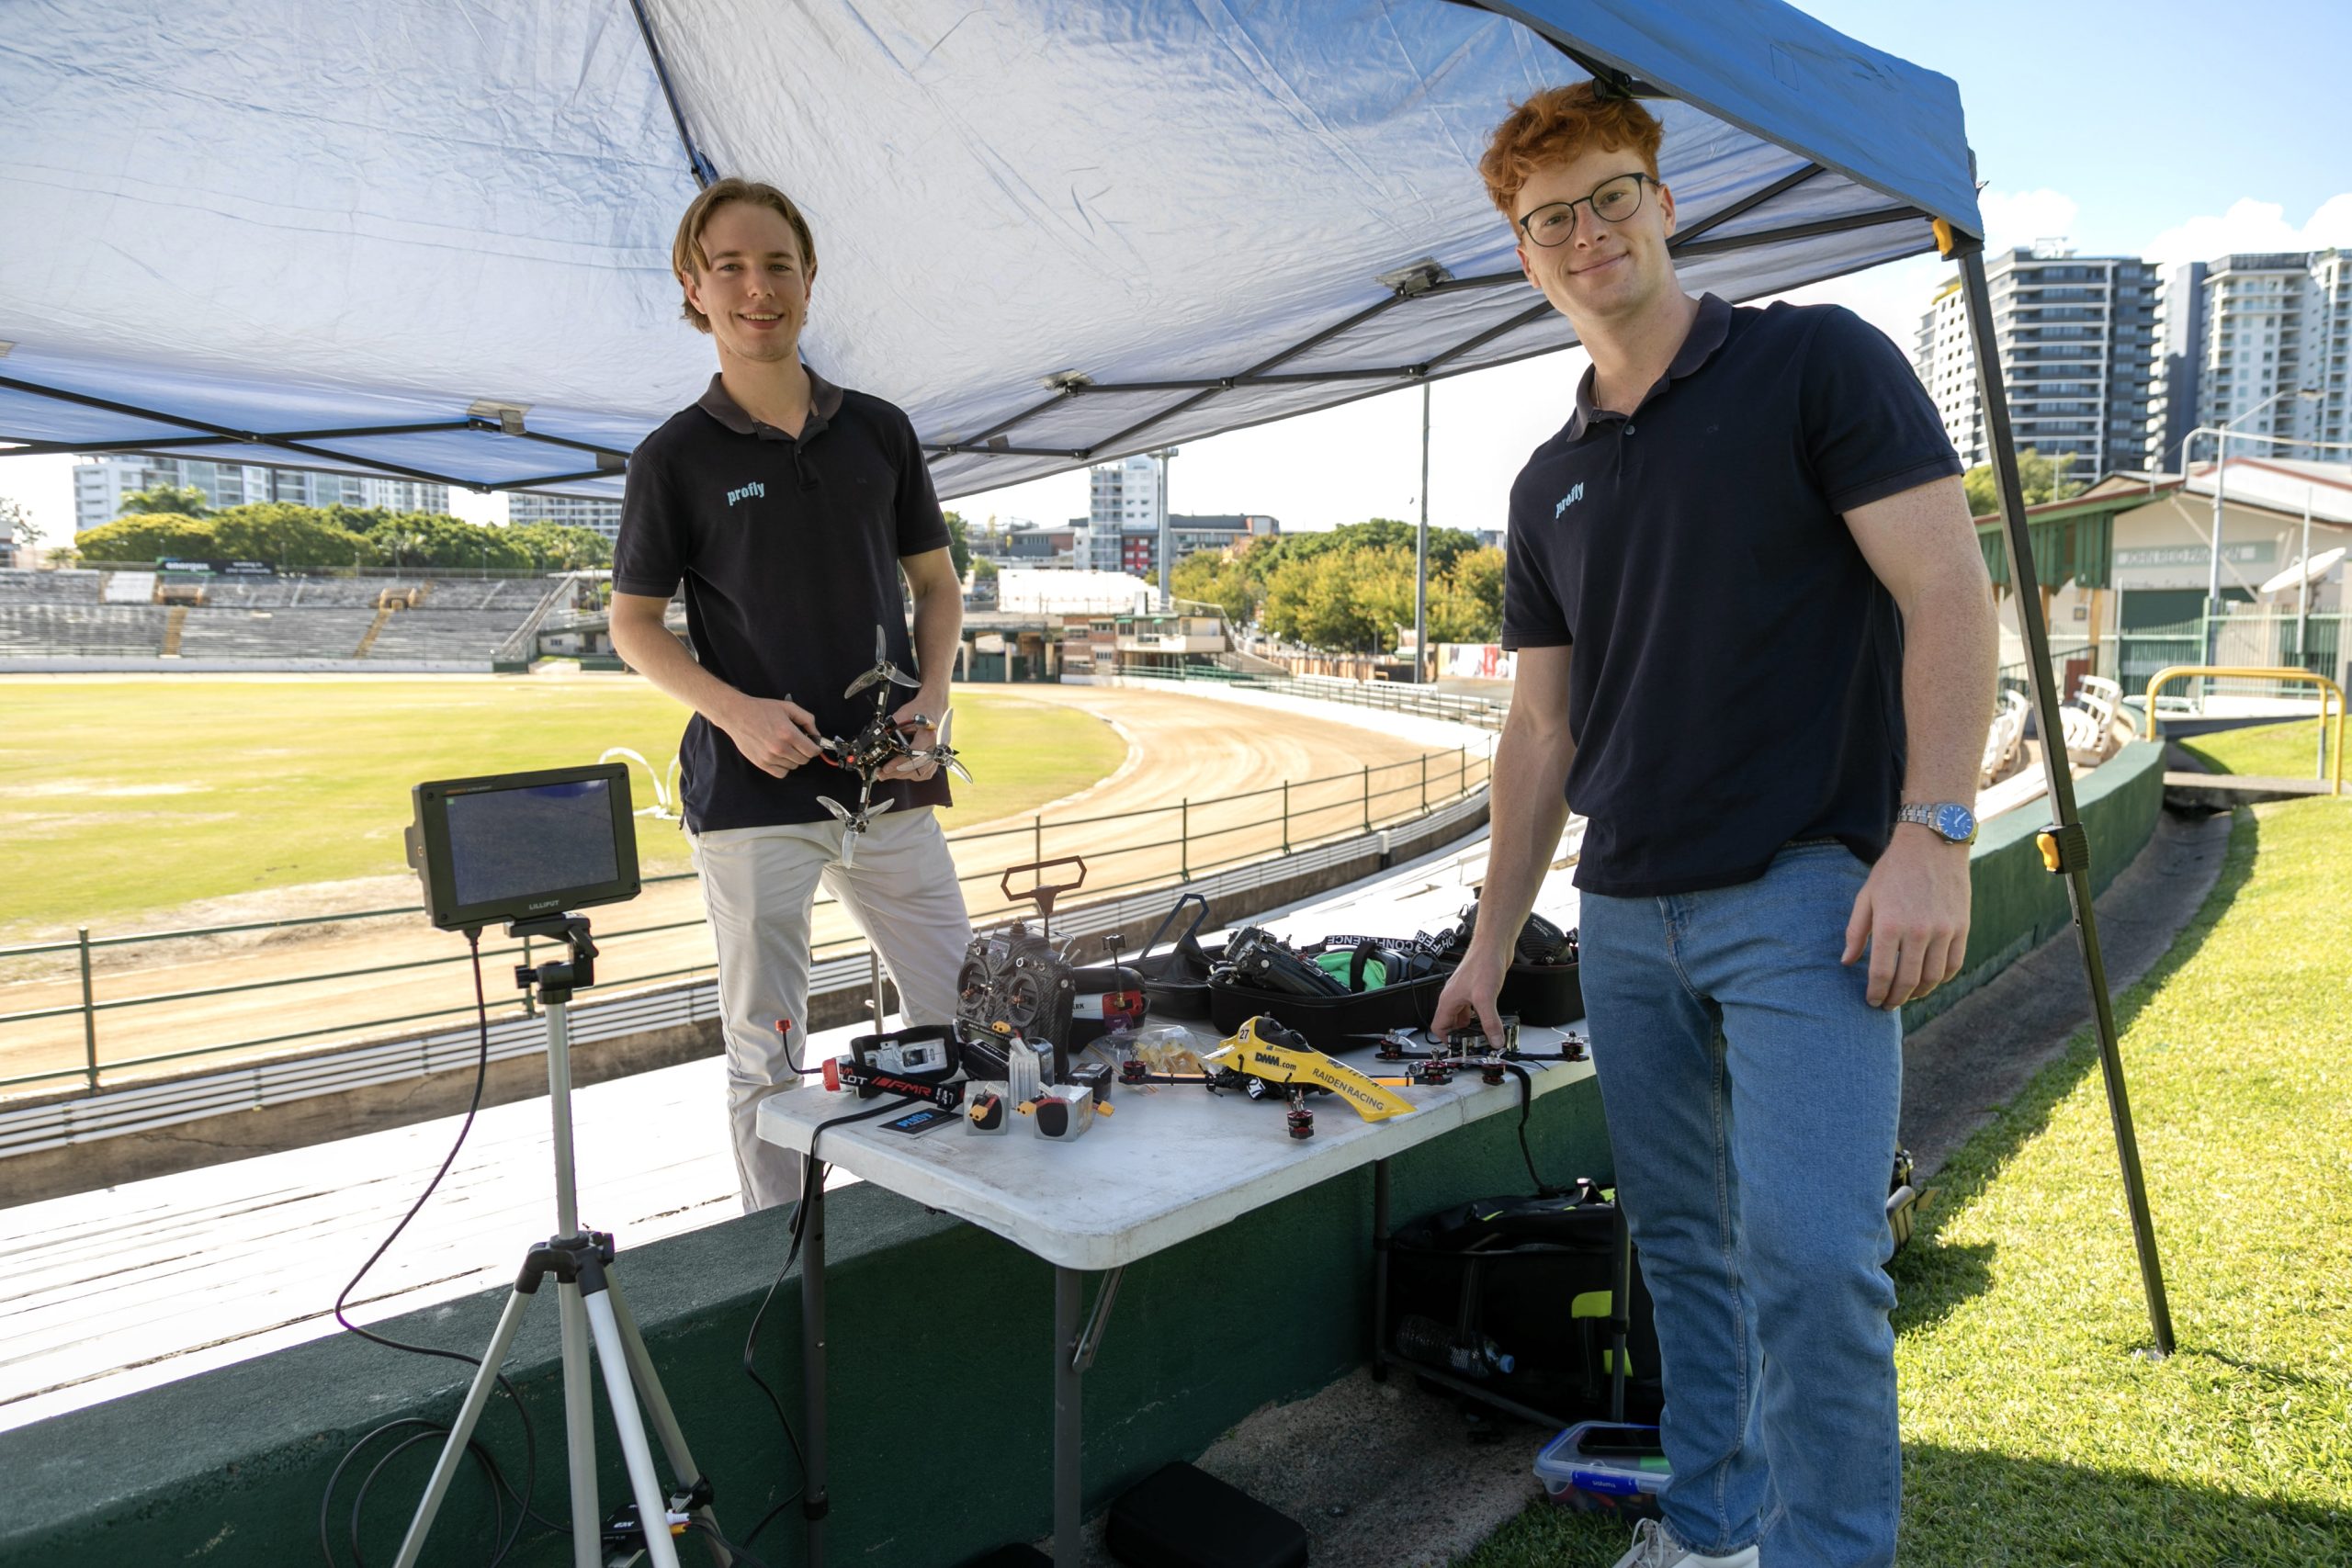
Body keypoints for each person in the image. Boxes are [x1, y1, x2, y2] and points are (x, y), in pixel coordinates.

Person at [1431, 85, 1996, 1568]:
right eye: (1548, 218)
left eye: (1609, 195)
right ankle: (1715, 1526)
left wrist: (1934, 829)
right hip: (1625, 917)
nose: (1584, 231)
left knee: (1813, 1259)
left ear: (1666, 203)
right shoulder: (1544, 479)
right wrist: (1493, 943)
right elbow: (1540, 734)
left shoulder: (1816, 361)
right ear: (1525, 257)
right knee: (1681, 1249)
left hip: (1809, 893)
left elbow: (1948, 588)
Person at [608, 177, 973, 1213]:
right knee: (766, 1049)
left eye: (777, 266)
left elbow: (936, 590)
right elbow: (631, 626)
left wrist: (932, 700)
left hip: (891, 783)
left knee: (962, 1011)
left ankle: (950, 1208)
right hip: (753, 799)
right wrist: (736, 709)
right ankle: (766, 1257)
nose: (757, 289)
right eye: (731, 267)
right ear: (695, 285)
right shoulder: (672, 457)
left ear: (809, 282)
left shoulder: (881, 432)